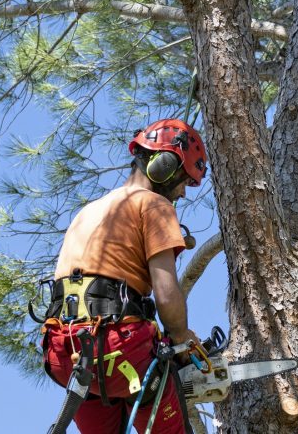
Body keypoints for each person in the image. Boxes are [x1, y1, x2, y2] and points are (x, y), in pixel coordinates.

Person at [41, 119, 208, 433]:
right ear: (165, 166)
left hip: (65, 355)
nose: (183, 192)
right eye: (184, 179)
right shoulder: (155, 205)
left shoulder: (88, 211)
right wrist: (182, 336)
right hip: (117, 348)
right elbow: (166, 295)